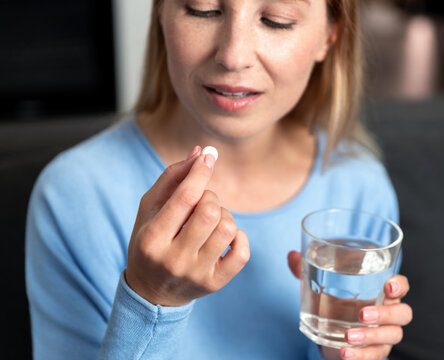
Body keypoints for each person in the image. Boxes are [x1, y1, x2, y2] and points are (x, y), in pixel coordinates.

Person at [25, 0, 413, 359]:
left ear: (329, 36)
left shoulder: (361, 187)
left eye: (276, 20)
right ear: (161, 14)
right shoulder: (73, 196)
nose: (233, 56)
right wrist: (152, 301)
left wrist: (341, 353)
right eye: (203, 10)